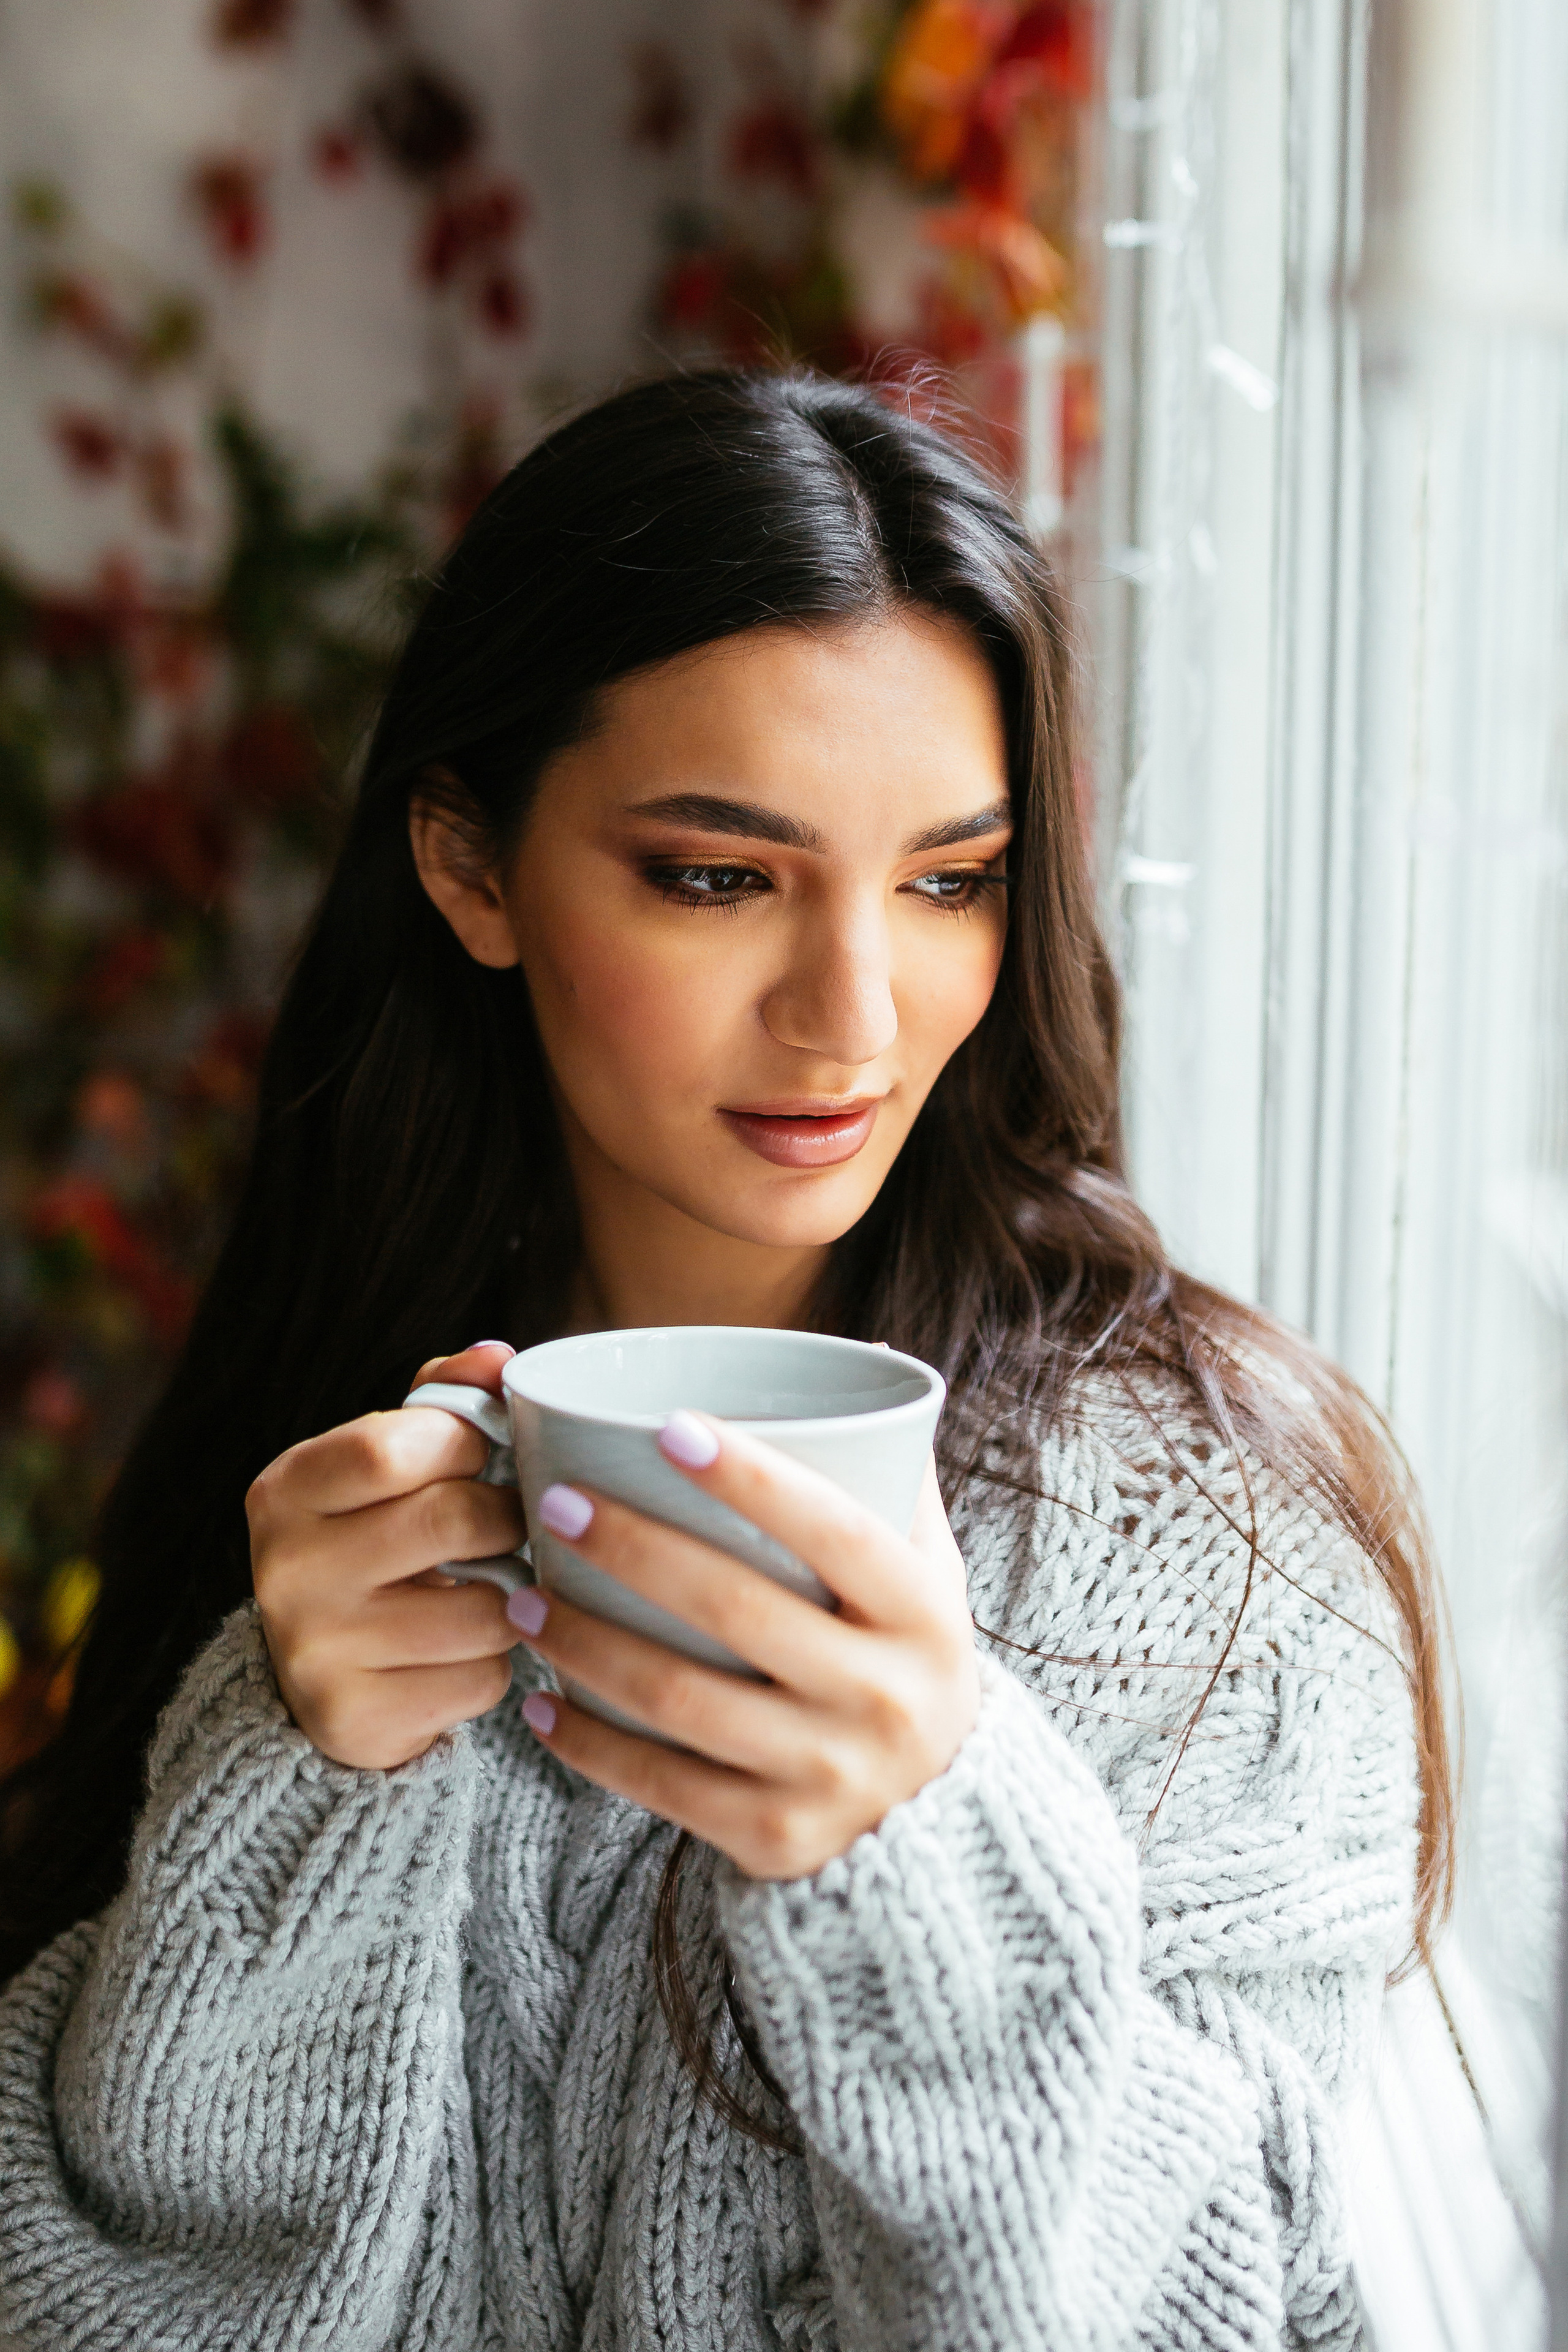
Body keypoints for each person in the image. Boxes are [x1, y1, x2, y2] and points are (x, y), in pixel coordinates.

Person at [0, 370, 1450, 2350]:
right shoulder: (329, 1459)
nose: (854, 1013)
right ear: (473, 868)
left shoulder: (1210, 1566)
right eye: (719, 876)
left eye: (949, 881)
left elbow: (1243, 2312)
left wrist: (936, 1862)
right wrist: (295, 1781)